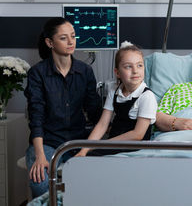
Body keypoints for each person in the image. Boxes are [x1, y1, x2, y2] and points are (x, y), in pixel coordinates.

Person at [24, 17, 102, 198]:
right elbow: (36, 116)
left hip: (78, 142)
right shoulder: (37, 73)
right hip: (48, 143)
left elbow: (95, 111)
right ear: (50, 42)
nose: (71, 42)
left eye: (73, 36)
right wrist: (40, 155)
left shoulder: (85, 71)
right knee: (41, 185)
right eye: (63, 38)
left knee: (93, 187)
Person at [75, 42, 157, 156]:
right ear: (117, 72)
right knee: (82, 152)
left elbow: (137, 135)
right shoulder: (114, 91)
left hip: (134, 147)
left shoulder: (146, 96)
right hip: (114, 144)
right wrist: (84, 150)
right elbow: (103, 124)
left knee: (93, 155)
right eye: (128, 66)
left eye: (139, 65)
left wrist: (103, 144)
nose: (135, 71)